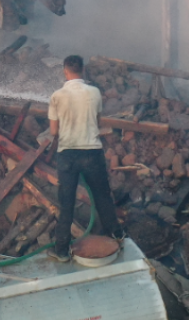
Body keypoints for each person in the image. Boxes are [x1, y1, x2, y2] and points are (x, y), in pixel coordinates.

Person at [45, 54, 124, 261]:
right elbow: (97, 123)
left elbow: (54, 132)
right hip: (92, 152)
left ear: (65, 71)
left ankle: (61, 251)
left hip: (68, 155)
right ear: (84, 70)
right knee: (102, 196)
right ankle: (117, 234)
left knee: (66, 202)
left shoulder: (57, 96)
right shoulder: (95, 92)